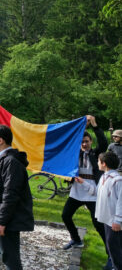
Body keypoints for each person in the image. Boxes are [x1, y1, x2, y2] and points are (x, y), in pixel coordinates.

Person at [0, 125, 34, 270]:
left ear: (0, 141)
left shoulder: (11, 162)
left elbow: (10, 195)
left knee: (10, 259)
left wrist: (2, 221)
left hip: (6, 220)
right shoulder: (2, 160)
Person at [61, 115, 108, 251]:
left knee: (98, 223)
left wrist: (94, 125)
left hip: (92, 192)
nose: (84, 144)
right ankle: (76, 239)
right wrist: (82, 127)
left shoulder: (96, 154)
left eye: (86, 141)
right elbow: (69, 142)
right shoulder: (76, 154)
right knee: (65, 215)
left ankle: (111, 252)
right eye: (82, 142)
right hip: (76, 192)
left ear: (91, 141)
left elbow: (103, 143)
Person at [96, 151, 122, 270]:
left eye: (98, 161)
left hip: (114, 221)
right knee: (111, 245)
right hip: (106, 219)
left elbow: (121, 202)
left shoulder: (118, 180)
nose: (97, 163)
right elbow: (97, 193)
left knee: (114, 247)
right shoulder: (103, 177)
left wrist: (118, 220)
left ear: (104, 163)